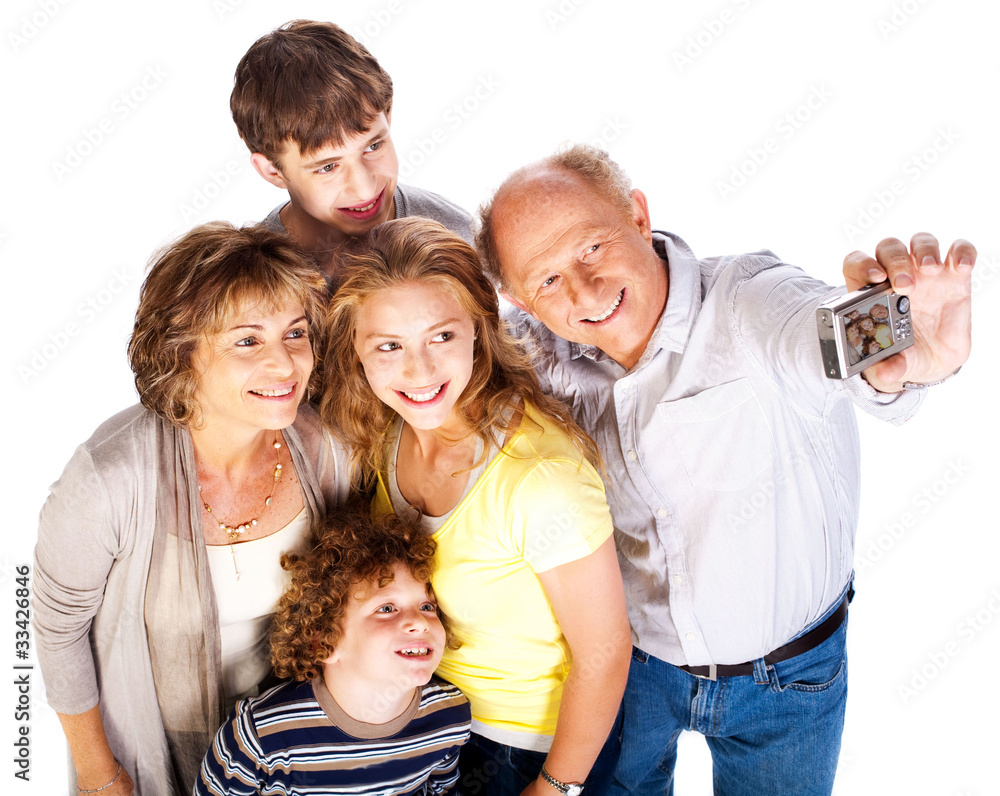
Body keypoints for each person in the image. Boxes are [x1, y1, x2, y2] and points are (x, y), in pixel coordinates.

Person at [475, 144, 974, 795]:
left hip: (789, 680)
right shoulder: (537, 356)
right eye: (547, 280)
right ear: (517, 298)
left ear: (637, 215)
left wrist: (904, 335)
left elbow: (828, 336)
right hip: (636, 669)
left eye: (592, 248)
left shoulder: (749, 305)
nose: (585, 290)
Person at [33, 223, 350, 795]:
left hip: (289, 749)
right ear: (183, 354)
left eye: (295, 333)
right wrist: (101, 775)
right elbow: (58, 632)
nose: (285, 364)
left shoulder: (327, 451)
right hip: (145, 749)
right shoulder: (110, 477)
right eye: (247, 341)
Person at [321, 218, 632, 795]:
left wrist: (553, 788)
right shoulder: (387, 434)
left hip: (528, 748)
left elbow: (607, 655)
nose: (419, 372)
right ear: (357, 353)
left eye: (441, 336)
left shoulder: (541, 479)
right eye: (389, 346)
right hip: (428, 723)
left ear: (479, 330)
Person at [194, 506, 471, 795]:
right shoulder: (257, 738)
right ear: (325, 642)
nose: (418, 621)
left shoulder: (450, 720)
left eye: (427, 606)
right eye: (386, 608)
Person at [231, 19, 474, 283]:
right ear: (272, 170)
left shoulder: (457, 237)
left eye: (373, 146)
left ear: (387, 116)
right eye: (327, 167)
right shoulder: (252, 285)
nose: (365, 189)